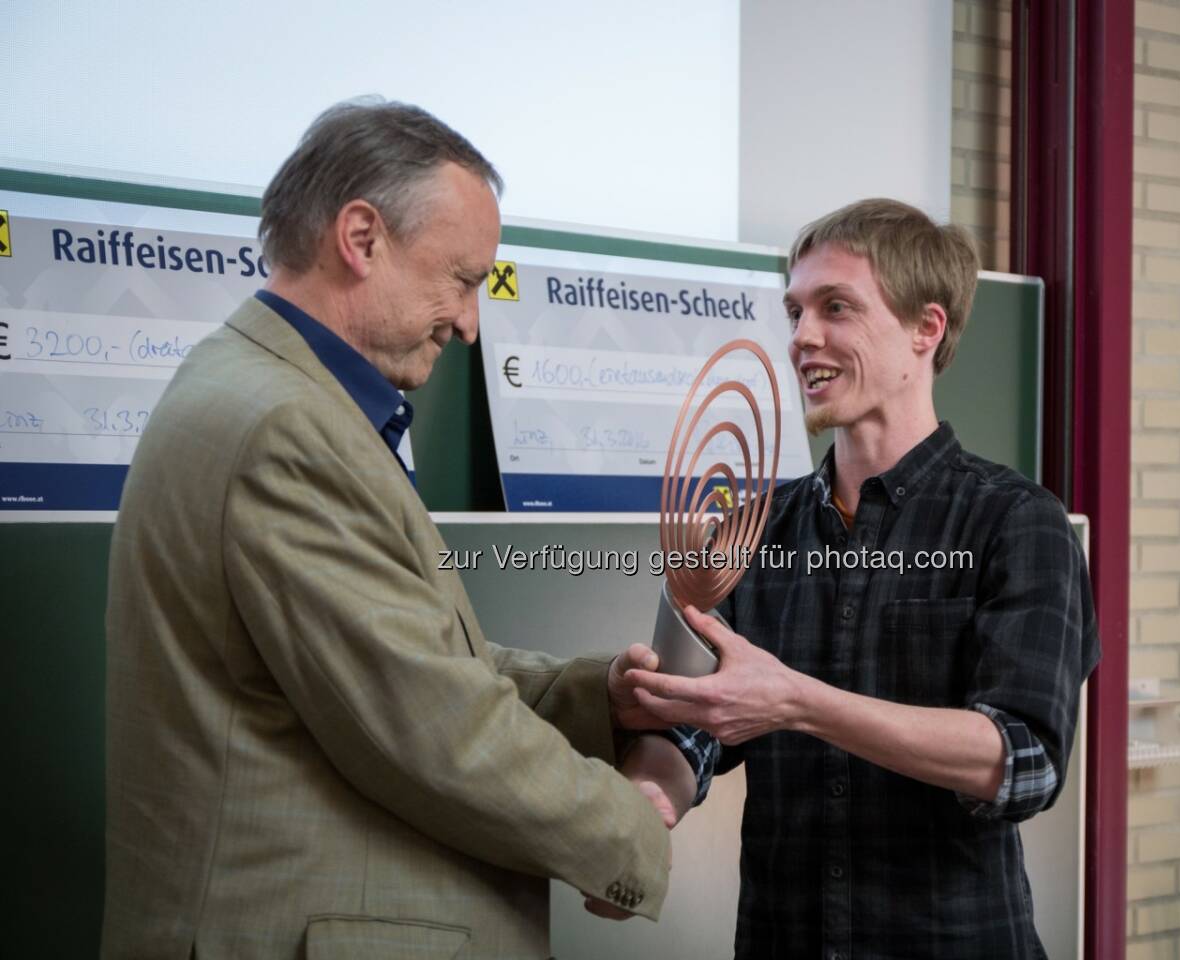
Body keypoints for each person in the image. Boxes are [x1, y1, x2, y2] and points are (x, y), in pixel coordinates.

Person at [103, 99, 700, 959]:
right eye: (461, 279)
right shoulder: (286, 428)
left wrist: (593, 698)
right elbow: (433, 728)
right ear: (361, 238)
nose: (469, 322)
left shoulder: (266, 390)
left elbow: (407, 662)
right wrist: (631, 832)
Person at [630, 199, 1101, 959]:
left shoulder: (1019, 522)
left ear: (926, 329)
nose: (801, 337)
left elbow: (1023, 759)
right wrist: (638, 814)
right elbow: (688, 734)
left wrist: (798, 702)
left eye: (836, 307)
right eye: (795, 310)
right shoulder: (747, 533)